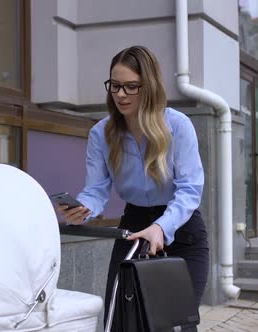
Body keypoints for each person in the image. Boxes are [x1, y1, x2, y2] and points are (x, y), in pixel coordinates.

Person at [58, 46, 209, 330]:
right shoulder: (101, 134)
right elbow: (96, 189)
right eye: (115, 86)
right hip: (134, 229)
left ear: (149, 87)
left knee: (174, 325)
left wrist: (162, 228)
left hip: (182, 232)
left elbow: (190, 190)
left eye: (131, 87)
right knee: (123, 321)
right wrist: (83, 208)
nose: (121, 95)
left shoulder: (178, 126)